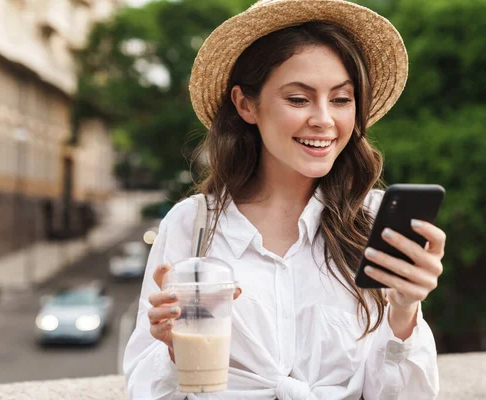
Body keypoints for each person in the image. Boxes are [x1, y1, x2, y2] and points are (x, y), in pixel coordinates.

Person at [124, 0, 446, 398]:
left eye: (342, 99)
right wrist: (173, 350)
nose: (324, 119)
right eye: (298, 99)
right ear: (246, 104)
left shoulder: (372, 222)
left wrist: (404, 309)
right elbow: (146, 388)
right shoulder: (192, 226)